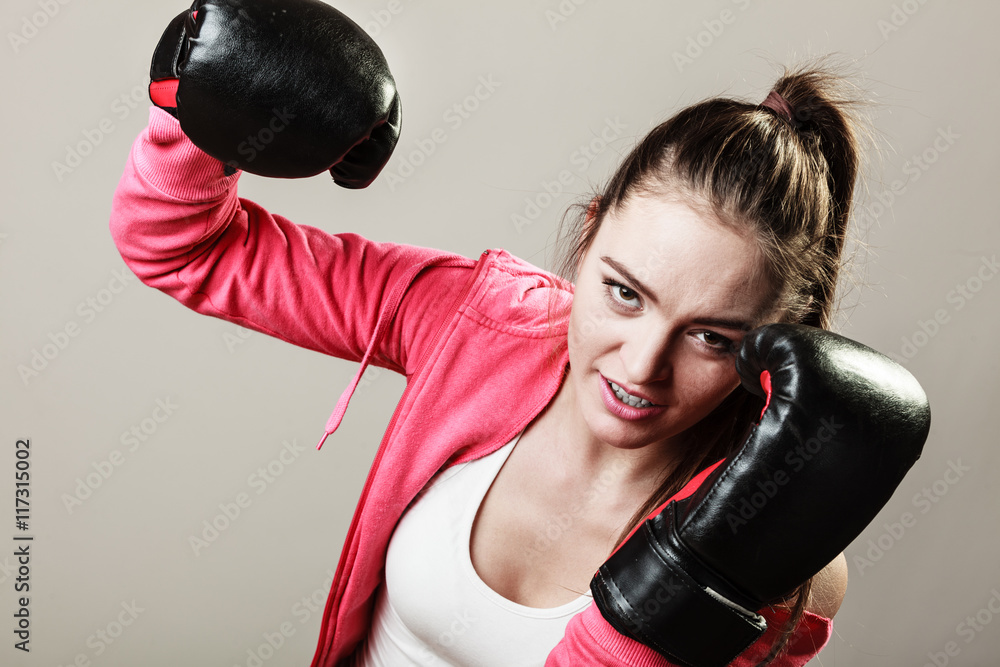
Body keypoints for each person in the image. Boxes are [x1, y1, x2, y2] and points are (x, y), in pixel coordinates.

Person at [110, 3, 930, 666]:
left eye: (712, 338)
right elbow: (184, 247)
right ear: (592, 231)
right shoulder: (482, 323)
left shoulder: (778, 538)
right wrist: (198, 112)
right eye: (621, 292)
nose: (642, 365)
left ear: (775, 346)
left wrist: (687, 585)